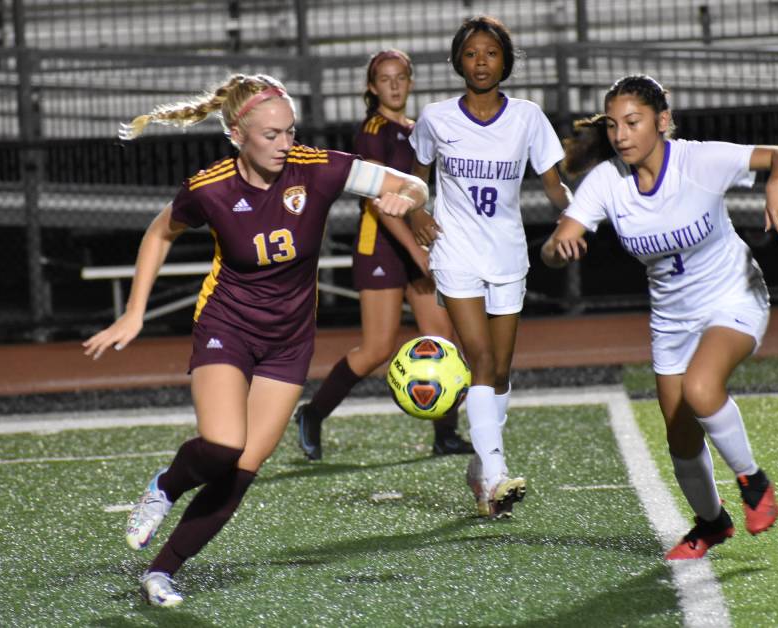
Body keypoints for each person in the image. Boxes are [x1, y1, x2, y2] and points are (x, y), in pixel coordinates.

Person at [82, 73, 428, 606]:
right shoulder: (211, 188)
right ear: (237, 134)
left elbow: (408, 183)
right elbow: (160, 232)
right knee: (222, 445)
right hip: (228, 327)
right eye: (272, 135)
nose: (285, 143)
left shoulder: (317, 169)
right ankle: (166, 486)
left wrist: (409, 197)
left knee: (242, 471)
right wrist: (134, 314)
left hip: (289, 342)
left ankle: (162, 572)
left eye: (290, 131)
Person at [542, 74, 778, 559]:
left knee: (703, 390)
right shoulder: (606, 182)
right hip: (671, 321)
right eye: (614, 124)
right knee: (680, 437)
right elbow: (556, 248)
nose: (620, 135)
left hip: (734, 296)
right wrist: (561, 246)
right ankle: (712, 523)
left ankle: (755, 483)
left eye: (633, 122)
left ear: (662, 121)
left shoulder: (698, 160)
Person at [408, 16, 571, 519]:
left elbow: (554, 186)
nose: (481, 61)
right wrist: (416, 210)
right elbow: (414, 179)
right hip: (455, 253)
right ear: (459, 60)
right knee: (478, 356)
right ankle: (497, 471)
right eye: (472, 53)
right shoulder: (435, 118)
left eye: (491, 53)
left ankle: (479, 470)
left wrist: (576, 217)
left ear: (506, 61)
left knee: (499, 370)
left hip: (507, 254)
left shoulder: (528, 117)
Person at [294, 49, 473, 461]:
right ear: (372, 88)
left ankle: (445, 432)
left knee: (442, 339)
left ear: (410, 82)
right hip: (381, 246)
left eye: (401, 77)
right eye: (385, 79)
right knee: (377, 348)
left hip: (416, 246)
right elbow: (380, 200)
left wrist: (429, 242)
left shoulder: (416, 128)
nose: (394, 85)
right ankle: (314, 414)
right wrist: (418, 253)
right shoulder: (373, 130)